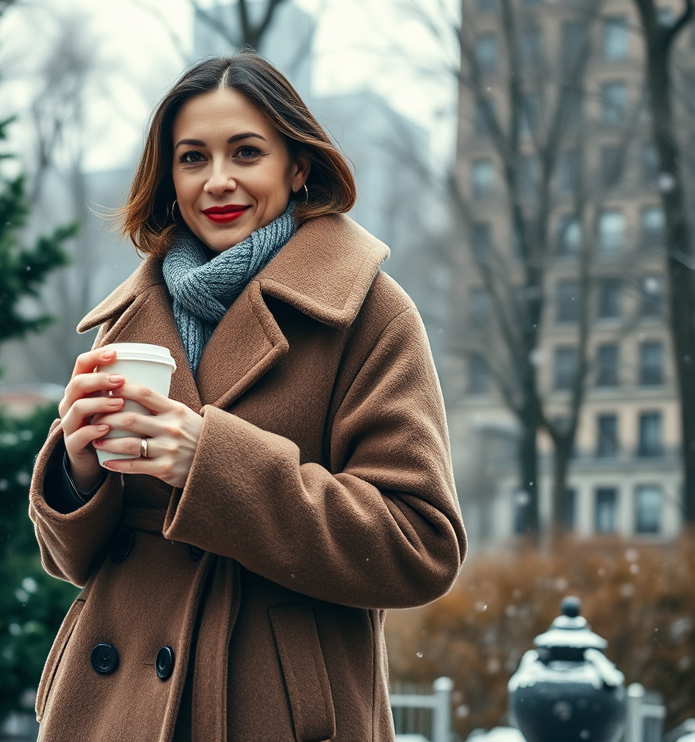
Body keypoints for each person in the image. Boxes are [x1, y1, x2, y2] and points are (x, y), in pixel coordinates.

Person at [28, 51, 466, 742]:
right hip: (108, 715)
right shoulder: (127, 320)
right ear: (169, 178)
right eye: (193, 157)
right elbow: (69, 562)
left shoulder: (368, 314)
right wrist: (77, 475)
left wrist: (213, 462)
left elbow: (419, 545)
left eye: (247, 152)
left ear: (298, 166)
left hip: (275, 715)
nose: (219, 180)